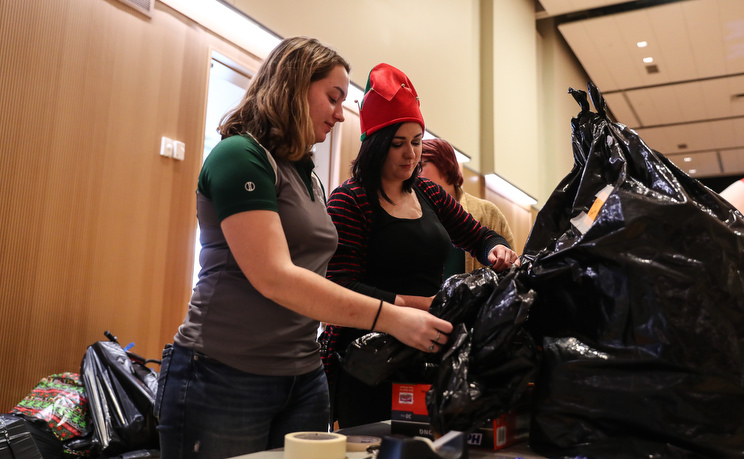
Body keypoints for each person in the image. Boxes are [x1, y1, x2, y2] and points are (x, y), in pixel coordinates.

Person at [154, 38, 453, 459]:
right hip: (224, 375)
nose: (339, 114)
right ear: (293, 87)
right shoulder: (239, 156)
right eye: (333, 98)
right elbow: (275, 276)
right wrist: (392, 317)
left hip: (303, 374)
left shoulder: (307, 176)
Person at [319, 63, 519, 428]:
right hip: (366, 359)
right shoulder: (350, 201)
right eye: (398, 144)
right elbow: (340, 287)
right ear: (376, 145)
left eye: (416, 142)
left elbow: (477, 234)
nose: (410, 155)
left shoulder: (427, 192)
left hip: (424, 348)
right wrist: (423, 306)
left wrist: (496, 248)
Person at [420, 138, 516, 278]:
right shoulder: (414, 211)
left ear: (445, 164)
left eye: (421, 165)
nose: (415, 173)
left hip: (476, 297)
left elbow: (509, 265)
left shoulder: (487, 212)